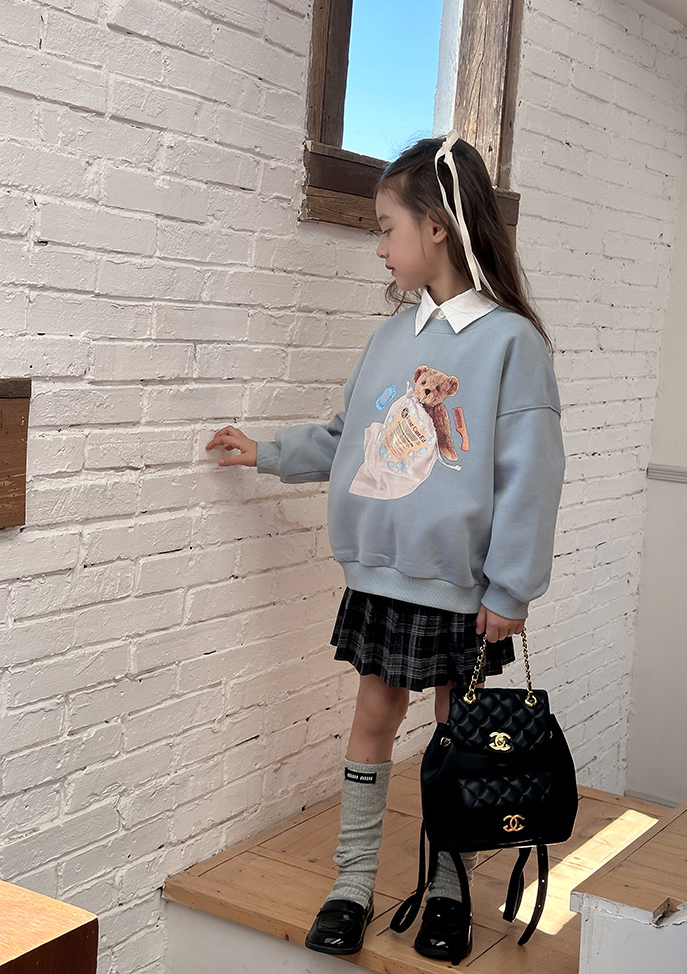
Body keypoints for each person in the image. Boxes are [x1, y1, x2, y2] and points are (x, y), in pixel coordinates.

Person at [205, 132, 565, 962]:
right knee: (372, 716)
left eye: (387, 228)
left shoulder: (511, 343)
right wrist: (266, 452)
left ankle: (448, 890)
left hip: (461, 590)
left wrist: (510, 589)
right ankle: (353, 881)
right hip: (380, 582)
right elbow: (349, 439)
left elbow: (531, 477)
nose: (379, 247)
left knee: (455, 736)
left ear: (436, 227)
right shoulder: (390, 338)